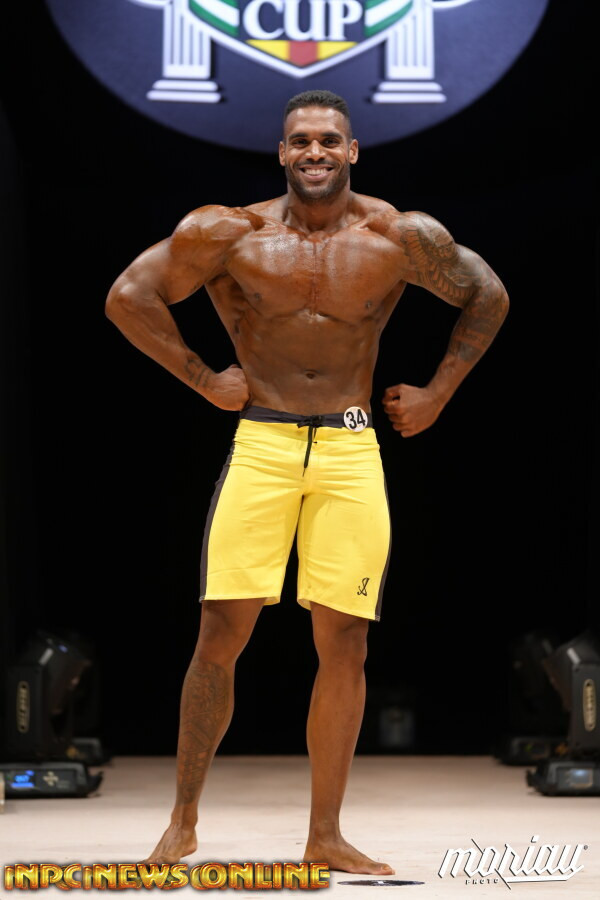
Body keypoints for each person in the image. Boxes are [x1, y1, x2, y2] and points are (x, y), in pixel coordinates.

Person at [105, 89, 509, 875]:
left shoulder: (398, 235)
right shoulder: (230, 232)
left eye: (329, 139)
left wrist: (438, 393)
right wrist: (200, 377)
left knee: (346, 642)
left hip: (352, 449)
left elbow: (486, 294)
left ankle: (325, 834)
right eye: (300, 141)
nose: (314, 151)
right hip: (263, 442)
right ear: (282, 152)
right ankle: (181, 824)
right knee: (219, 633)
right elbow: (128, 296)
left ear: (352, 150)